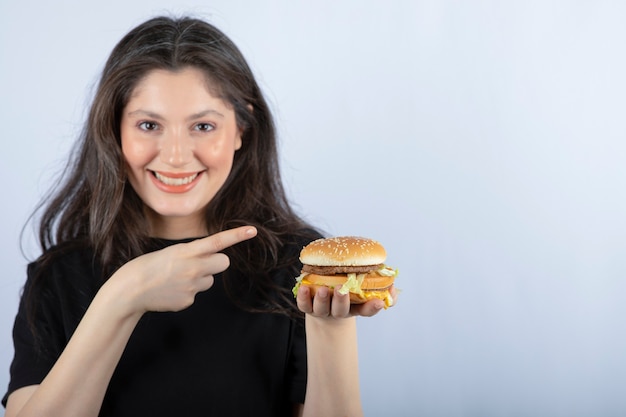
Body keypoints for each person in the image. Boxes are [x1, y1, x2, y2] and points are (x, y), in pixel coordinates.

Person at [2, 15, 397, 417]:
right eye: (149, 124)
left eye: (204, 125)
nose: (175, 156)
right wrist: (122, 297)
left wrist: (331, 324)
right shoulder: (58, 276)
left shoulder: (297, 267)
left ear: (242, 127)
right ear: (114, 129)